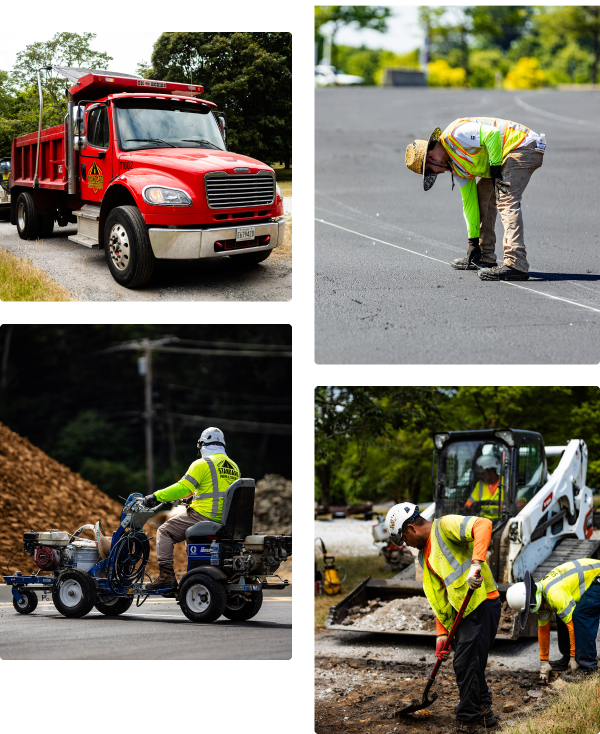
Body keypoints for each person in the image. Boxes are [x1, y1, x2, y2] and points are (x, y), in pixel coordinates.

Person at [386, 503, 501, 733]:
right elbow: (442, 597)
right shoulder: (423, 556)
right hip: (463, 612)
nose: (406, 544)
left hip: (481, 603)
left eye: (405, 539)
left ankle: (468, 720)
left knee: (465, 664)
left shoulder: (445, 526)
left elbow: (483, 524)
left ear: (411, 528)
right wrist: (441, 633)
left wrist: (476, 565)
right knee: (470, 663)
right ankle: (484, 710)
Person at [405, 118, 546, 281]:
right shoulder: (456, 168)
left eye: (431, 171)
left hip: (522, 146)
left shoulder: (455, 134)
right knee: (482, 198)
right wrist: (473, 243)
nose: (436, 174)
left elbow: (492, 135)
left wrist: (494, 167)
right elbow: (469, 203)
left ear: (430, 157)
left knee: (506, 199)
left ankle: (516, 263)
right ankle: (485, 256)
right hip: (504, 158)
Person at [144, 427, 241, 591]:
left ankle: (166, 577)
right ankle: (198, 572)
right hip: (227, 521)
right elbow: (218, 491)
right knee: (191, 537)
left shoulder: (202, 464)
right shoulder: (234, 467)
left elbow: (183, 488)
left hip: (204, 516)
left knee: (164, 531)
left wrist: (156, 496)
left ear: (202, 444)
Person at [506, 558, 600, 682]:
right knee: (563, 615)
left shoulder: (554, 593)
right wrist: (543, 662)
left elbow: (571, 624)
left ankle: (587, 668)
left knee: (580, 616)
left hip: (597, 578)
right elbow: (543, 630)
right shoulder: (540, 595)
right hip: (593, 578)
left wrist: (574, 657)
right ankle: (567, 658)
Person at [464, 456, 503, 521]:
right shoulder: (480, 484)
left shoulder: (506, 483)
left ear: (490, 471)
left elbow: (520, 500)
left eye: (482, 473)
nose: (480, 476)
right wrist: (465, 507)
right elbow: (471, 502)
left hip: (502, 522)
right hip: (483, 521)